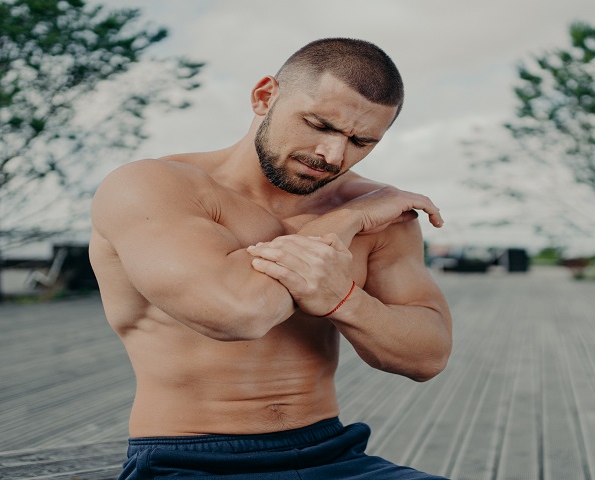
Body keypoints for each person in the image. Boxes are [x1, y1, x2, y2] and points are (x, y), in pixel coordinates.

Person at [89, 38, 452, 479]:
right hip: (189, 461)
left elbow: (427, 355)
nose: (333, 155)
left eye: (361, 141)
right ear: (265, 97)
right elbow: (239, 312)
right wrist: (343, 221)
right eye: (319, 124)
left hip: (333, 454)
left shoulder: (382, 211)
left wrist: (343, 300)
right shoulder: (152, 187)